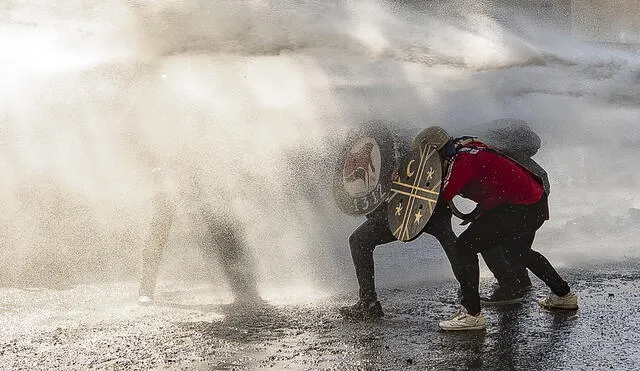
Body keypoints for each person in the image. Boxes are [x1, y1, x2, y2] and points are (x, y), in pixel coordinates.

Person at [339, 128, 531, 320]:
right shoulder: (462, 150)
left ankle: (368, 302)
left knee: (358, 241)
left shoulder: (454, 158)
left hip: (422, 208)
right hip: (436, 208)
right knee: (452, 245)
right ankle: (469, 295)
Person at [414, 126, 578, 331]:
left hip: (518, 207)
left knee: (465, 246)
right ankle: (564, 295)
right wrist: (482, 210)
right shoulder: (468, 148)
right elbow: (494, 181)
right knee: (517, 251)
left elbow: (438, 198)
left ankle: (471, 314)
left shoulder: (460, 161)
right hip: (533, 202)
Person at [138, 167, 261, 305]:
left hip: (199, 170)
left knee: (220, 220)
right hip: (169, 169)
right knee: (159, 227)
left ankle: (244, 288)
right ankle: (146, 289)